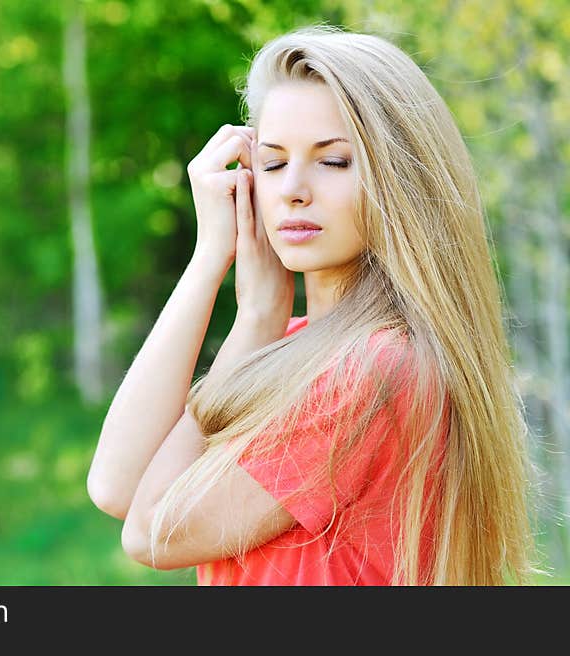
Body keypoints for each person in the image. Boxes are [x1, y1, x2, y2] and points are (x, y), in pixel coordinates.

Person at [86, 25, 537, 585]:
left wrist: (253, 319)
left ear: (397, 180)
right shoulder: (297, 344)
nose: (293, 188)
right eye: (273, 163)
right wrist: (219, 271)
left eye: (335, 161)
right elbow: (114, 485)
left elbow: (153, 531)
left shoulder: (372, 369)